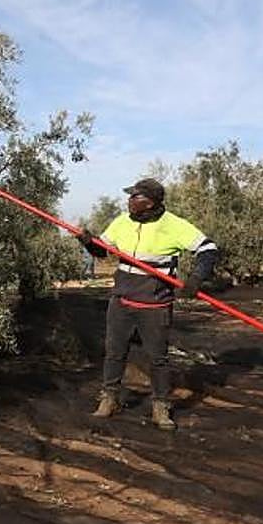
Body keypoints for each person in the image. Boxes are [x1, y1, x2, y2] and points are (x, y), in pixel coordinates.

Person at [78, 178, 218, 430]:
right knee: (114, 353)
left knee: (158, 359)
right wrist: (90, 243)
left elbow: (208, 249)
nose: (129, 200)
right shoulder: (122, 221)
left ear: (150, 202)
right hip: (121, 300)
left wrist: (196, 278)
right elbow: (103, 251)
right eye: (130, 196)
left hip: (155, 305)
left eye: (135, 197)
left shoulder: (174, 225)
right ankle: (109, 399)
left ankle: (161, 406)